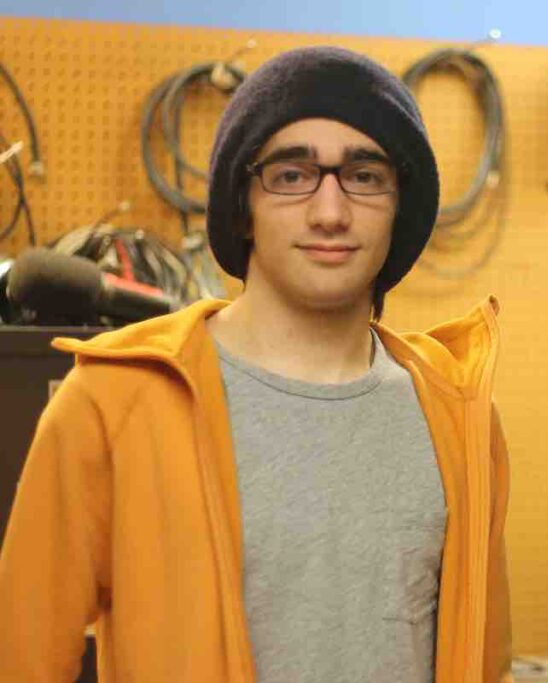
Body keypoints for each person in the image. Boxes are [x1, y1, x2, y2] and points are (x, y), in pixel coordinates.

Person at [0, 46, 512, 682]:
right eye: (292, 176)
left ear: (399, 207)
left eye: (365, 176)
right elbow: (21, 660)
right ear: (242, 205)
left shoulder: (458, 416)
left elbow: (486, 661)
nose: (330, 213)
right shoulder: (112, 402)